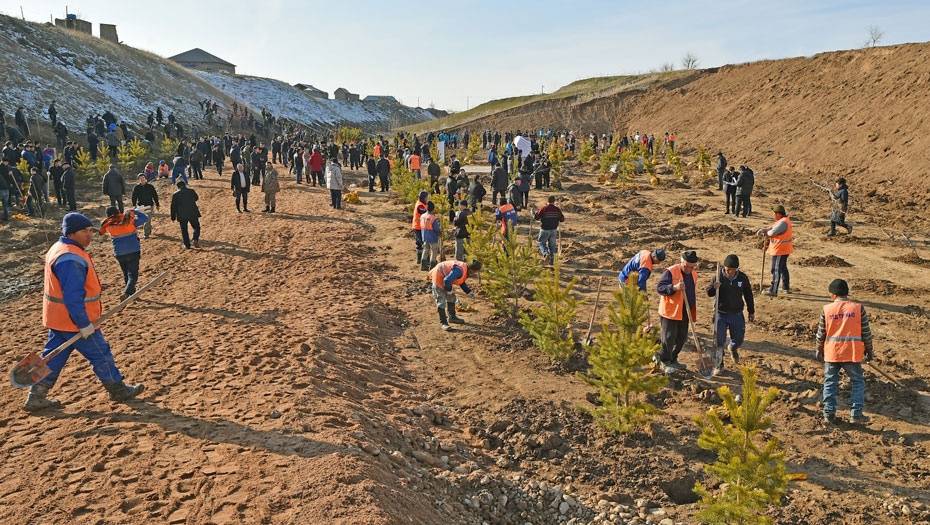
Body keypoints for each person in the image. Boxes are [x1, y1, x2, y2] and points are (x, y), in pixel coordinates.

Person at [24, 213, 144, 412]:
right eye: (84, 231)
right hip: (75, 320)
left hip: (58, 318)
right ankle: (118, 389)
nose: (89, 235)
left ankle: (35, 396)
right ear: (71, 233)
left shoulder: (59, 248)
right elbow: (73, 296)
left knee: (53, 358)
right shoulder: (70, 258)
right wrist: (84, 324)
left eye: (90, 231)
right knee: (100, 353)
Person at [816, 279, 873, 424]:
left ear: (833, 295)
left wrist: (819, 349)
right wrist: (869, 351)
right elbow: (866, 332)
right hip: (852, 353)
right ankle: (856, 415)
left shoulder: (827, 309)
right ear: (846, 293)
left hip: (832, 353)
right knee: (858, 382)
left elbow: (821, 333)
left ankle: (828, 414)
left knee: (830, 382)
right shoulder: (858, 308)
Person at [706, 254, 755, 375]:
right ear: (724, 267)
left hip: (736, 314)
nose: (729, 272)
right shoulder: (718, 277)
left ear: (737, 269)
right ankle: (719, 364)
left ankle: (733, 348)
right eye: (727, 270)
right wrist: (714, 287)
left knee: (739, 338)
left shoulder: (742, 278)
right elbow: (709, 292)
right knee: (719, 341)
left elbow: (748, 294)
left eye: (732, 270)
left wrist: (751, 311)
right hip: (720, 314)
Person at [655, 250, 699, 373]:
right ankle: (664, 361)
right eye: (687, 266)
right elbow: (660, 288)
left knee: (681, 338)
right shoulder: (671, 271)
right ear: (681, 261)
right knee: (668, 338)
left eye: (692, 267)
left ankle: (673, 359)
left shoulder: (694, 274)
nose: (689, 269)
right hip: (670, 311)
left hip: (685, 311)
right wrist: (674, 288)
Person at [98, 206, 148, 299]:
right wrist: (135, 211)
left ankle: (131, 295)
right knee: (133, 275)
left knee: (126, 274)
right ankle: (127, 292)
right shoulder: (129, 221)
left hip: (119, 253)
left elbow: (101, 232)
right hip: (133, 251)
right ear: (118, 211)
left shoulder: (108, 226)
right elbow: (145, 218)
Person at [429, 260, 482, 330]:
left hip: (446, 276)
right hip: (438, 276)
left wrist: (468, 292)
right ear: (472, 270)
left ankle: (452, 317)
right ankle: (444, 323)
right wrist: (449, 290)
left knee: (451, 298)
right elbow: (447, 280)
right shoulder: (459, 270)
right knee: (441, 301)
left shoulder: (465, 269)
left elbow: (461, 281)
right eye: (476, 272)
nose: (475, 274)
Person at [758, 205, 793, 296]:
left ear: (779, 214)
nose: (773, 215)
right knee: (783, 268)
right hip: (784, 249)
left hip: (780, 250)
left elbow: (772, 232)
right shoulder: (782, 220)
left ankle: (773, 290)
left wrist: (766, 234)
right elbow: (772, 227)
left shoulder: (783, 223)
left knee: (776, 269)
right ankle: (785, 287)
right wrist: (765, 229)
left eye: (774, 213)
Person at [170, 181, 201, 249]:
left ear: (178, 187)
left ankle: (187, 245)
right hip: (193, 212)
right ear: (185, 185)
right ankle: (195, 238)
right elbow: (196, 198)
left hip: (182, 215)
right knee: (196, 227)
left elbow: (173, 207)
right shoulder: (191, 191)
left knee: (184, 230)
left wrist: (173, 217)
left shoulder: (175, 194)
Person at [534, 196, 564, 264]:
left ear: (547, 201)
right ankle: (552, 262)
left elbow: (537, 217)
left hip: (545, 229)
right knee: (552, 246)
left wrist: (534, 213)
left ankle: (545, 253)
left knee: (541, 243)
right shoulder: (557, 209)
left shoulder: (544, 208)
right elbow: (562, 219)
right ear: (554, 201)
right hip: (553, 230)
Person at [420, 201, 441, 270]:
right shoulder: (433, 218)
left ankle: (423, 265)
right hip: (432, 237)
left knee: (425, 250)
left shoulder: (422, 216)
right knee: (434, 251)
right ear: (433, 209)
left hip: (425, 236)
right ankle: (432, 266)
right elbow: (436, 229)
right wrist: (440, 233)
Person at [411, 191, 429, 265]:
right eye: (427, 197)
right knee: (423, 243)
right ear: (423, 198)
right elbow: (425, 213)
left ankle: (419, 259)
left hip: (419, 226)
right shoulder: (420, 205)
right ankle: (425, 260)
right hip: (418, 227)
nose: (427, 199)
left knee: (419, 243)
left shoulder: (421, 203)